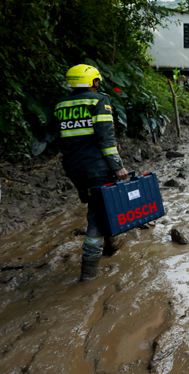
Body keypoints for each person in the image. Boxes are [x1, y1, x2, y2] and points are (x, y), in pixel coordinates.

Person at [54, 64, 129, 282]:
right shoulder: (98, 101)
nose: (98, 85)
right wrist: (117, 166)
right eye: (97, 81)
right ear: (92, 82)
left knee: (97, 204)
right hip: (96, 166)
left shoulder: (61, 104)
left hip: (73, 167)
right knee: (96, 215)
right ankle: (88, 273)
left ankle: (110, 246)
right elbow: (105, 139)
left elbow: (60, 138)